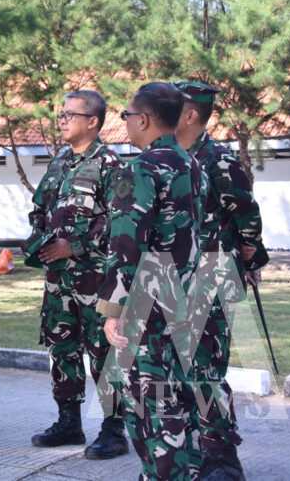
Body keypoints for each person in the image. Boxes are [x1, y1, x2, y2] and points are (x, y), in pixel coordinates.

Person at [97, 82, 204, 481]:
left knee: (149, 403)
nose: (125, 122)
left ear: (142, 119)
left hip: (147, 306)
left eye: (126, 116)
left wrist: (114, 309)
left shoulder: (141, 168)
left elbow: (126, 243)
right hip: (185, 299)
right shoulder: (190, 164)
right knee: (179, 397)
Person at [23, 90, 128, 459]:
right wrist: (39, 239)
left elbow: (122, 224)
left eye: (71, 114)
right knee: (62, 348)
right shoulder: (60, 162)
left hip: (96, 279)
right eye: (61, 114)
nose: (62, 119)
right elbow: (40, 209)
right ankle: (69, 422)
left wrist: (76, 245)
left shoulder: (110, 165)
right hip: (58, 280)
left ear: (93, 121)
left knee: (103, 354)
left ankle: (114, 430)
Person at [175, 80, 268, 481]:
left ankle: (223, 458)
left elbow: (247, 218)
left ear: (191, 114)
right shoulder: (171, 159)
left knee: (205, 370)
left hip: (212, 280)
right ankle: (196, 450)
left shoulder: (219, 161)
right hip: (177, 282)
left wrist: (246, 255)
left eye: (172, 106)